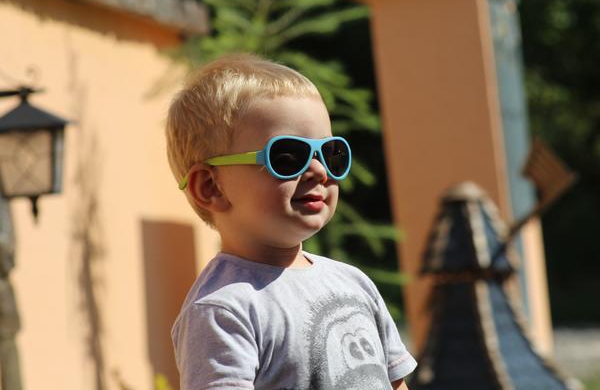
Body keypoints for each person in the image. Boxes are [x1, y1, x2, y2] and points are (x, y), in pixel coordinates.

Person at [166, 54, 417, 390]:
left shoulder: (353, 282)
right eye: (287, 156)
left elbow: (395, 383)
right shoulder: (223, 310)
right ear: (211, 187)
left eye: (331, 153)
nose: (319, 171)